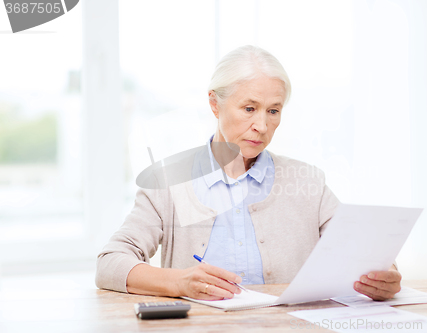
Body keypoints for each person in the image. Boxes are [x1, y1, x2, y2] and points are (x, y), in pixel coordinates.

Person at [95, 45, 401, 301]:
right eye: (249, 108)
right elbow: (110, 264)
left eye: (273, 110)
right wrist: (177, 282)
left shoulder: (308, 182)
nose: (262, 126)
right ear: (215, 104)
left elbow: (364, 252)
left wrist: (384, 277)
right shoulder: (168, 183)